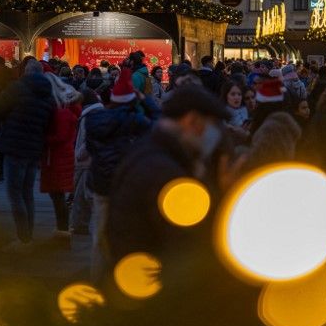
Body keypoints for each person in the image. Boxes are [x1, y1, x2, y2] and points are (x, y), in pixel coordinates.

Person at [106, 85, 230, 267]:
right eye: (211, 126)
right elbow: (189, 238)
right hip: (154, 278)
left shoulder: (153, 151)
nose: (213, 135)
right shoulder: (164, 172)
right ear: (192, 121)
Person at [84, 68, 160, 279]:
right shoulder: (134, 121)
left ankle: (97, 276)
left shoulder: (94, 120)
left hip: (100, 182)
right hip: (125, 184)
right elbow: (159, 123)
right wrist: (145, 100)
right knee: (126, 232)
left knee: (99, 233)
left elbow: (90, 150)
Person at [0, 59, 54, 250]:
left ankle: (23, 238)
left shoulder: (17, 88)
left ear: (25, 72)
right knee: (27, 192)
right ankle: (28, 236)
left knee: (14, 192)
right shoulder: (47, 93)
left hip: (15, 144)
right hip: (34, 146)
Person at [40, 72, 83, 245]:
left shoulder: (61, 112)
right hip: (60, 155)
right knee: (57, 196)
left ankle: (62, 232)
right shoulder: (67, 108)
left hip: (57, 157)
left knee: (58, 196)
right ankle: (61, 231)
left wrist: (43, 139)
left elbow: (60, 136)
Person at [70, 89, 103, 235]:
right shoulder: (95, 113)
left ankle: (80, 224)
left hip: (87, 161)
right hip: (91, 159)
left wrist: (80, 154)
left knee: (83, 195)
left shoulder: (89, 115)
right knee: (82, 195)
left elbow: (89, 138)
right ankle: (80, 224)